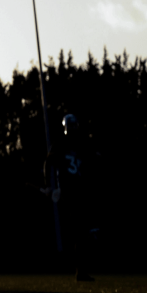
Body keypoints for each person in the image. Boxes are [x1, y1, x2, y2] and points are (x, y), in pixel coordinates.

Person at [46, 113, 97, 282]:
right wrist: (50, 185)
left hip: (80, 191)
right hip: (69, 192)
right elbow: (49, 163)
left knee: (80, 231)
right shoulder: (61, 144)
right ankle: (79, 270)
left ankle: (80, 270)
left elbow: (91, 163)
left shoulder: (80, 144)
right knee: (79, 231)